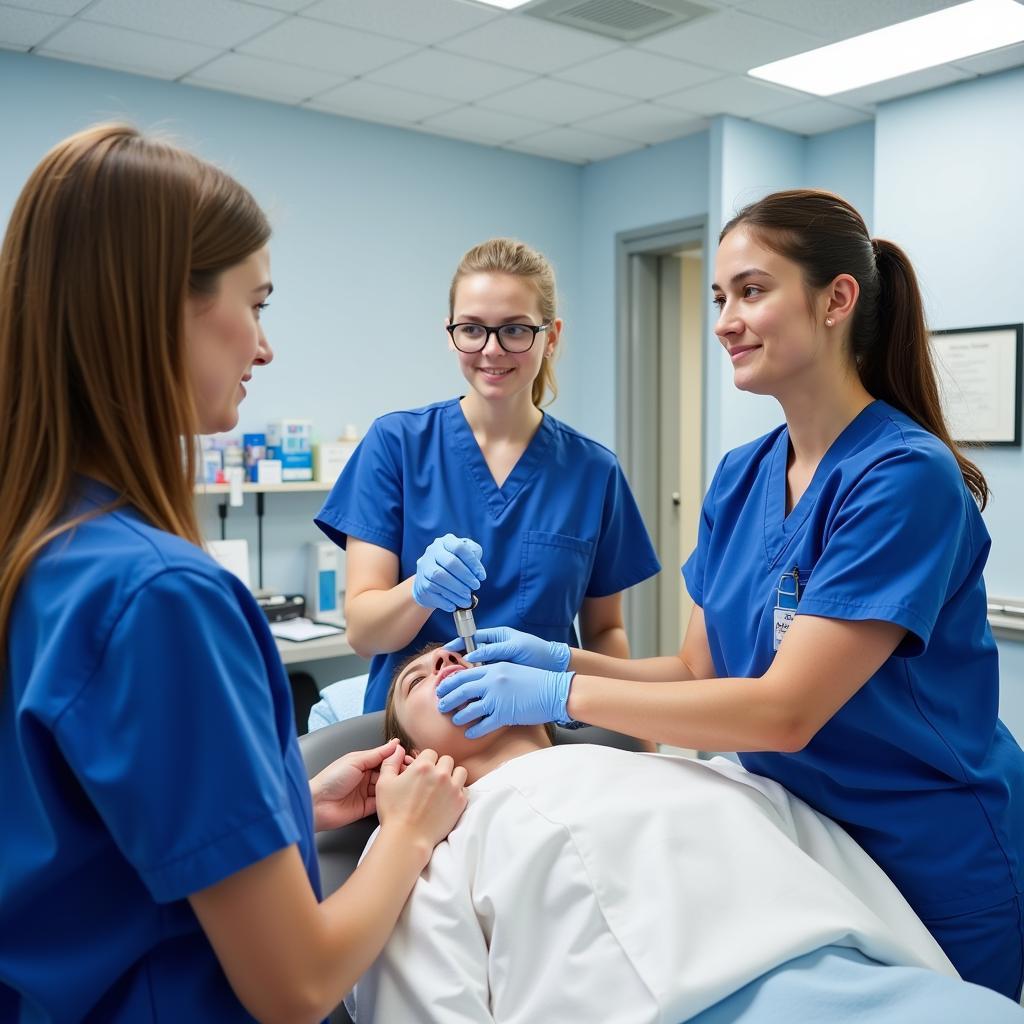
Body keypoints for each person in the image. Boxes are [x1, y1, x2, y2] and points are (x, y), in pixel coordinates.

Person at [435, 189, 1024, 1000]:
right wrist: (556, 654)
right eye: (719, 298)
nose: (723, 321)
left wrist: (561, 693)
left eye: (750, 291)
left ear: (835, 300)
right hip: (804, 842)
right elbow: (694, 669)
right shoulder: (742, 475)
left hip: (928, 848)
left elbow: (782, 712)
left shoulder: (901, 477)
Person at [0, 124, 466, 1024]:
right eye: (256, 304)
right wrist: (406, 837)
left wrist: (288, 793)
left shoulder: (38, 545)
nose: (264, 348)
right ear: (150, 307)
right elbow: (294, 984)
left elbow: (79, 823)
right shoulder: (159, 597)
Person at [346, 642, 1024, 1023]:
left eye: (455, 654)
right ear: (408, 757)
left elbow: (838, 875)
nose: (445, 663)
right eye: (416, 678)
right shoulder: (429, 839)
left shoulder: (688, 771)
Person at [313, 237, 660, 713]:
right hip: (412, 743)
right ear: (450, 331)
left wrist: (630, 737)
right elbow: (364, 634)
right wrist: (418, 592)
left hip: (540, 740)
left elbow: (605, 630)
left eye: (515, 330)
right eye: (473, 329)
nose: (492, 350)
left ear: (551, 335)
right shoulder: (395, 444)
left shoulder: (593, 471)